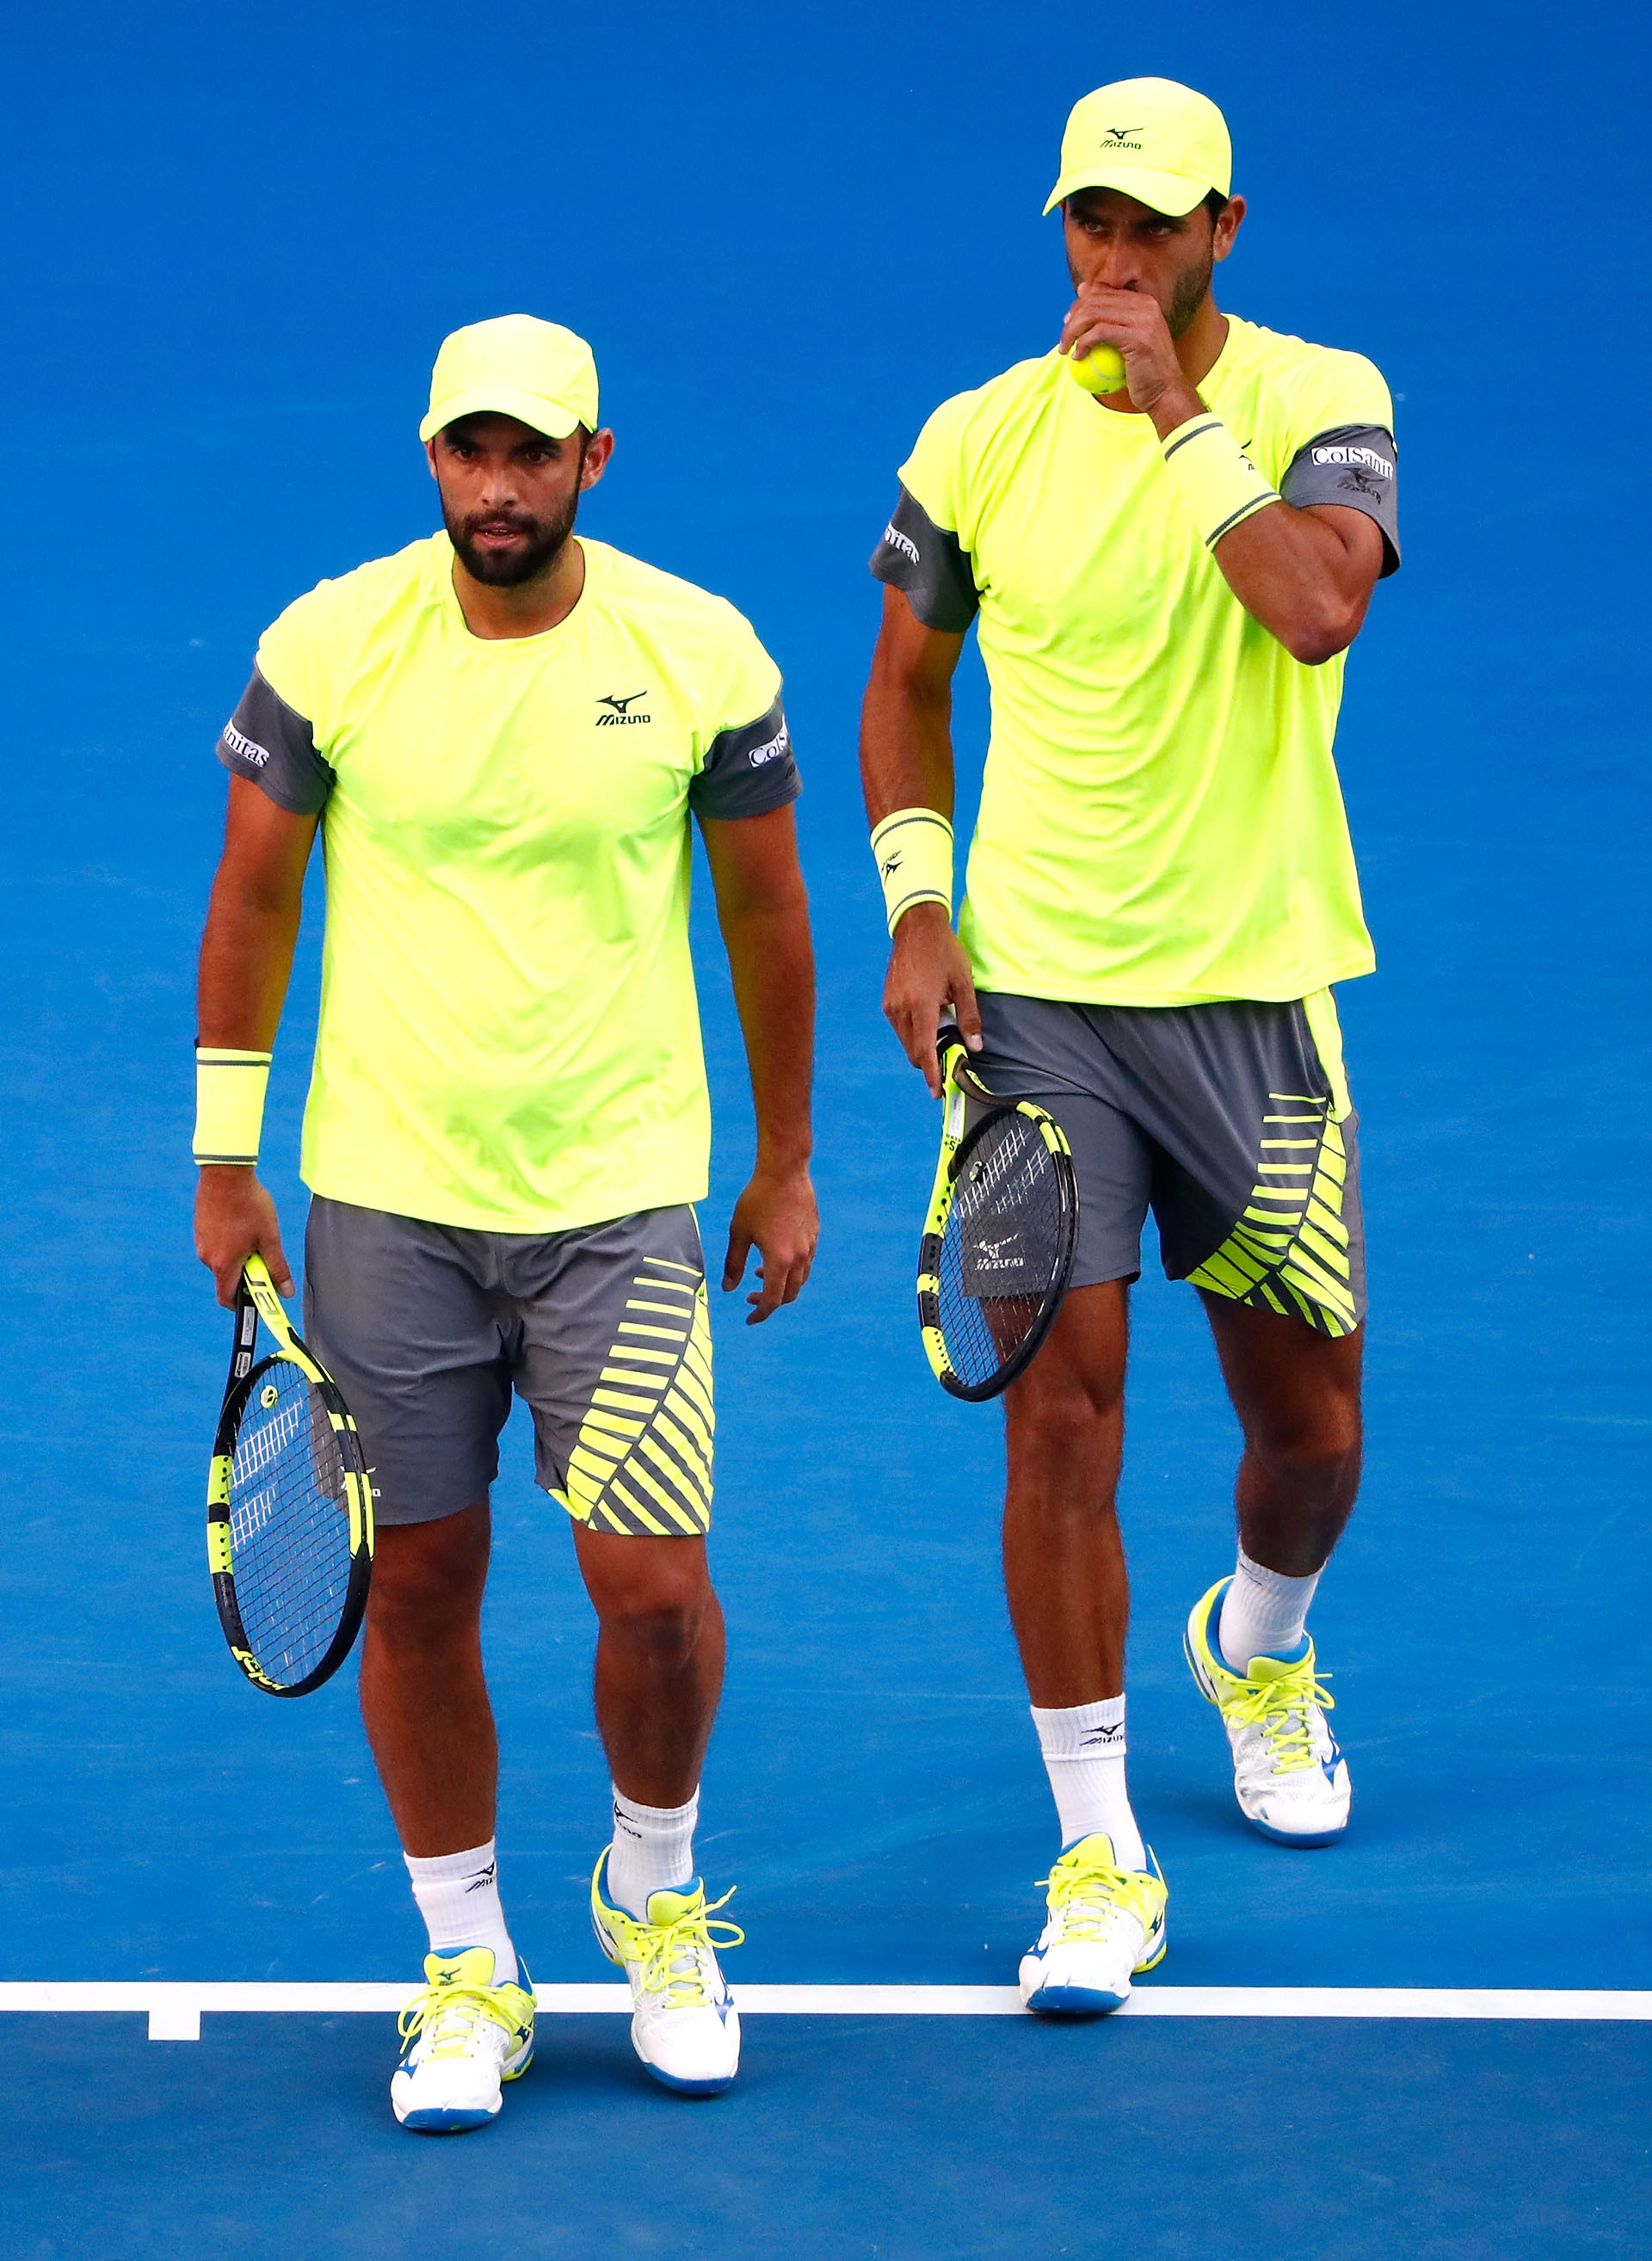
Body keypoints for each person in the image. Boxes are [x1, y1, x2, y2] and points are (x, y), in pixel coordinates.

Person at [195, 313, 817, 2129]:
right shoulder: (331, 644)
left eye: (532, 452)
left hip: (620, 1201)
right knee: (423, 1586)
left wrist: (783, 1158)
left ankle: (653, 1878)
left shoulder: (697, 652)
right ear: (432, 458)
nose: (498, 484)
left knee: (655, 1595)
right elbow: (252, 899)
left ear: (592, 462)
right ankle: (465, 1955)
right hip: (386, 1202)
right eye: (470, 451)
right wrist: (229, 1162)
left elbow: (771, 923)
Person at [861, 78, 1399, 2012]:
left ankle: (1258, 1640)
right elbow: (907, 684)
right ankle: (1099, 1846)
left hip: (1251, 998)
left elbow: (1319, 607)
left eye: (1151, 228)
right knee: (1063, 1414)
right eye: (1090, 224)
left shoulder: (1321, 396)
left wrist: (1178, 414)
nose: (1113, 260)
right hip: (1044, 1014)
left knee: (1311, 1435)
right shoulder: (975, 438)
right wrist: (922, 900)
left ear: (1221, 233)